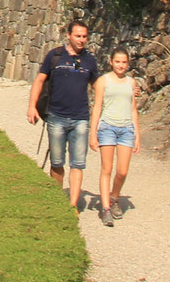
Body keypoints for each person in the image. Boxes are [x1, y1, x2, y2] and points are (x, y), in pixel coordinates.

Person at [25, 19, 98, 210]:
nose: (82, 40)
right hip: (56, 117)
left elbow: (99, 86)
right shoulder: (55, 56)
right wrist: (32, 106)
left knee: (78, 164)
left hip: (81, 119)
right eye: (78, 36)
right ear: (68, 35)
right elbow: (39, 81)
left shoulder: (90, 60)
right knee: (57, 162)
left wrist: (125, 89)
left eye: (84, 36)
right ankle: (57, 201)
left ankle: (72, 206)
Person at [90, 48, 140, 226]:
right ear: (111, 62)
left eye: (124, 62)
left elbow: (133, 108)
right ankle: (105, 208)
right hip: (107, 127)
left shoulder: (131, 83)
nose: (121, 65)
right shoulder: (103, 81)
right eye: (117, 62)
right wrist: (93, 133)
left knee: (122, 171)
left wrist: (137, 133)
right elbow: (97, 107)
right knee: (106, 169)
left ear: (128, 63)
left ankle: (114, 197)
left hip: (126, 128)